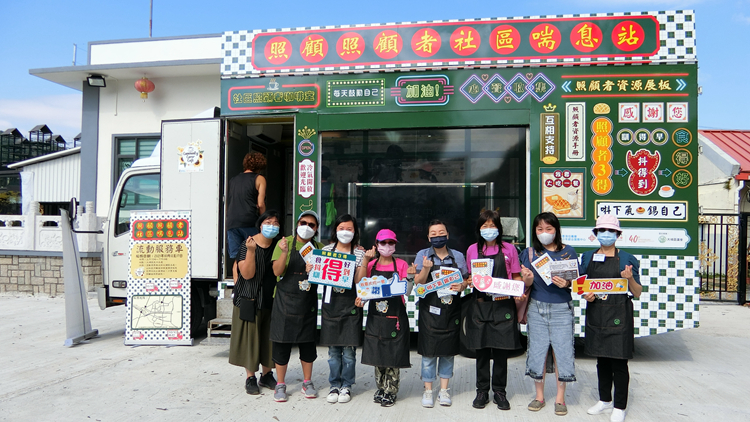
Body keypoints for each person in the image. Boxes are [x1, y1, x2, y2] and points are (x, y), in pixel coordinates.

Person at [580, 215, 642, 422]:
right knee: (602, 360)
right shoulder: (587, 257)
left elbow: (637, 292)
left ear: (618, 234)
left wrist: (629, 279)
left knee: (619, 362)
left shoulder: (627, 259)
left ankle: (619, 406)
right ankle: (604, 400)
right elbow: (582, 284)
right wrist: (585, 294)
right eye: (602, 230)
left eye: (611, 231)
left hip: (619, 315)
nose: (606, 234)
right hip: (597, 313)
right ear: (596, 233)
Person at [463, 210, 526, 410]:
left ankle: (499, 391)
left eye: (492, 225)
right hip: (480, 304)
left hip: (503, 304)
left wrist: (519, 290)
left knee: (501, 351)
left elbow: (516, 276)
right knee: (481, 351)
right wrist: (469, 281)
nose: (489, 229)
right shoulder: (472, 250)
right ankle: (482, 391)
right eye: (485, 226)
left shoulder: (509, 249)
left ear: (499, 228)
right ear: (479, 229)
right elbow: (470, 277)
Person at [520, 212, 578, 416]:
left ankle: (560, 399)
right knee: (538, 351)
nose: (544, 232)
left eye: (548, 228)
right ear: (535, 231)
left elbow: (576, 281)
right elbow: (526, 284)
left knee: (562, 352)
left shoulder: (568, 252)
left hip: (562, 308)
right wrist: (527, 278)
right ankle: (539, 396)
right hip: (537, 307)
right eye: (540, 229)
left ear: (556, 230)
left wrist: (567, 283)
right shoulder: (529, 253)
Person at [269, 210, 324, 402]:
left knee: (307, 344)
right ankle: (280, 383)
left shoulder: (319, 248)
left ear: (316, 229)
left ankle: (307, 382)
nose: (307, 227)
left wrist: (315, 270)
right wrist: (284, 253)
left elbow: (326, 275)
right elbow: (277, 271)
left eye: (311, 225)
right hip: (284, 302)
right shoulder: (285, 243)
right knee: (281, 344)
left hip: (307, 303)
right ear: (297, 224)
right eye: (303, 223)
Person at [413, 220, 468, 408]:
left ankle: (444, 391)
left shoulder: (458, 256)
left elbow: (466, 279)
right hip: (429, 310)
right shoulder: (422, 255)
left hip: (451, 310)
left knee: (448, 352)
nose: (438, 236)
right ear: (429, 238)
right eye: (433, 234)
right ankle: (428, 390)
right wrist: (426, 268)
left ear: (447, 235)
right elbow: (419, 283)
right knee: (428, 353)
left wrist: (462, 285)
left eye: (441, 232)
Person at [356, 229, 411, 407]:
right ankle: (380, 388)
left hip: (395, 318)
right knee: (377, 353)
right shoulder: (371, 264)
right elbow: (362, 284)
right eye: (383, 242)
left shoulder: (401, 264)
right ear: (376, 245)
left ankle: (391, 390)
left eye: (391, 242)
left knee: (393, 355)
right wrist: (361, 299)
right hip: (376, 317)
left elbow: (407, 291)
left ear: (395, 245)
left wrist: (410, 277)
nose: (387, 246)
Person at [228, 210, 281, 395]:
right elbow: (247, 274)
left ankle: (266, 375)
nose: (272, 226)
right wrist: (251, 252)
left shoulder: (278, 246)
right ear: (260, 225)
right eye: (268, 222)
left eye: (276, 223)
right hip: (249, 299)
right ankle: (250, 377)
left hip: (270, 299)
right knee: (250, 340)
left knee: (269, 338)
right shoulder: (248, 244)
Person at [320, 214, 366, 404]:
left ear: (355, 232)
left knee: (348, 352)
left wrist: (364, 261)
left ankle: (347, 385)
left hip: (351, 305)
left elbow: (359, 280)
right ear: (335, 230)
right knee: (333, 352)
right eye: (341, 228)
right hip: (331, 305)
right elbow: (318, 274)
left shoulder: (359, 253)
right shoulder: (326, 250)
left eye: (349, 229)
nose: (345, 232)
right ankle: (334, 385)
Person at [226, 152, 267, 265]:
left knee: (237, 257)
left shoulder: (233, 180)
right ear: (260, 166)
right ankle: (252, 276)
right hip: (249, 221)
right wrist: (264, 221)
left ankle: (237, 276)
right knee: (253, 253)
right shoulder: (259, 179)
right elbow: (261, 204)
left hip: (232, 222)